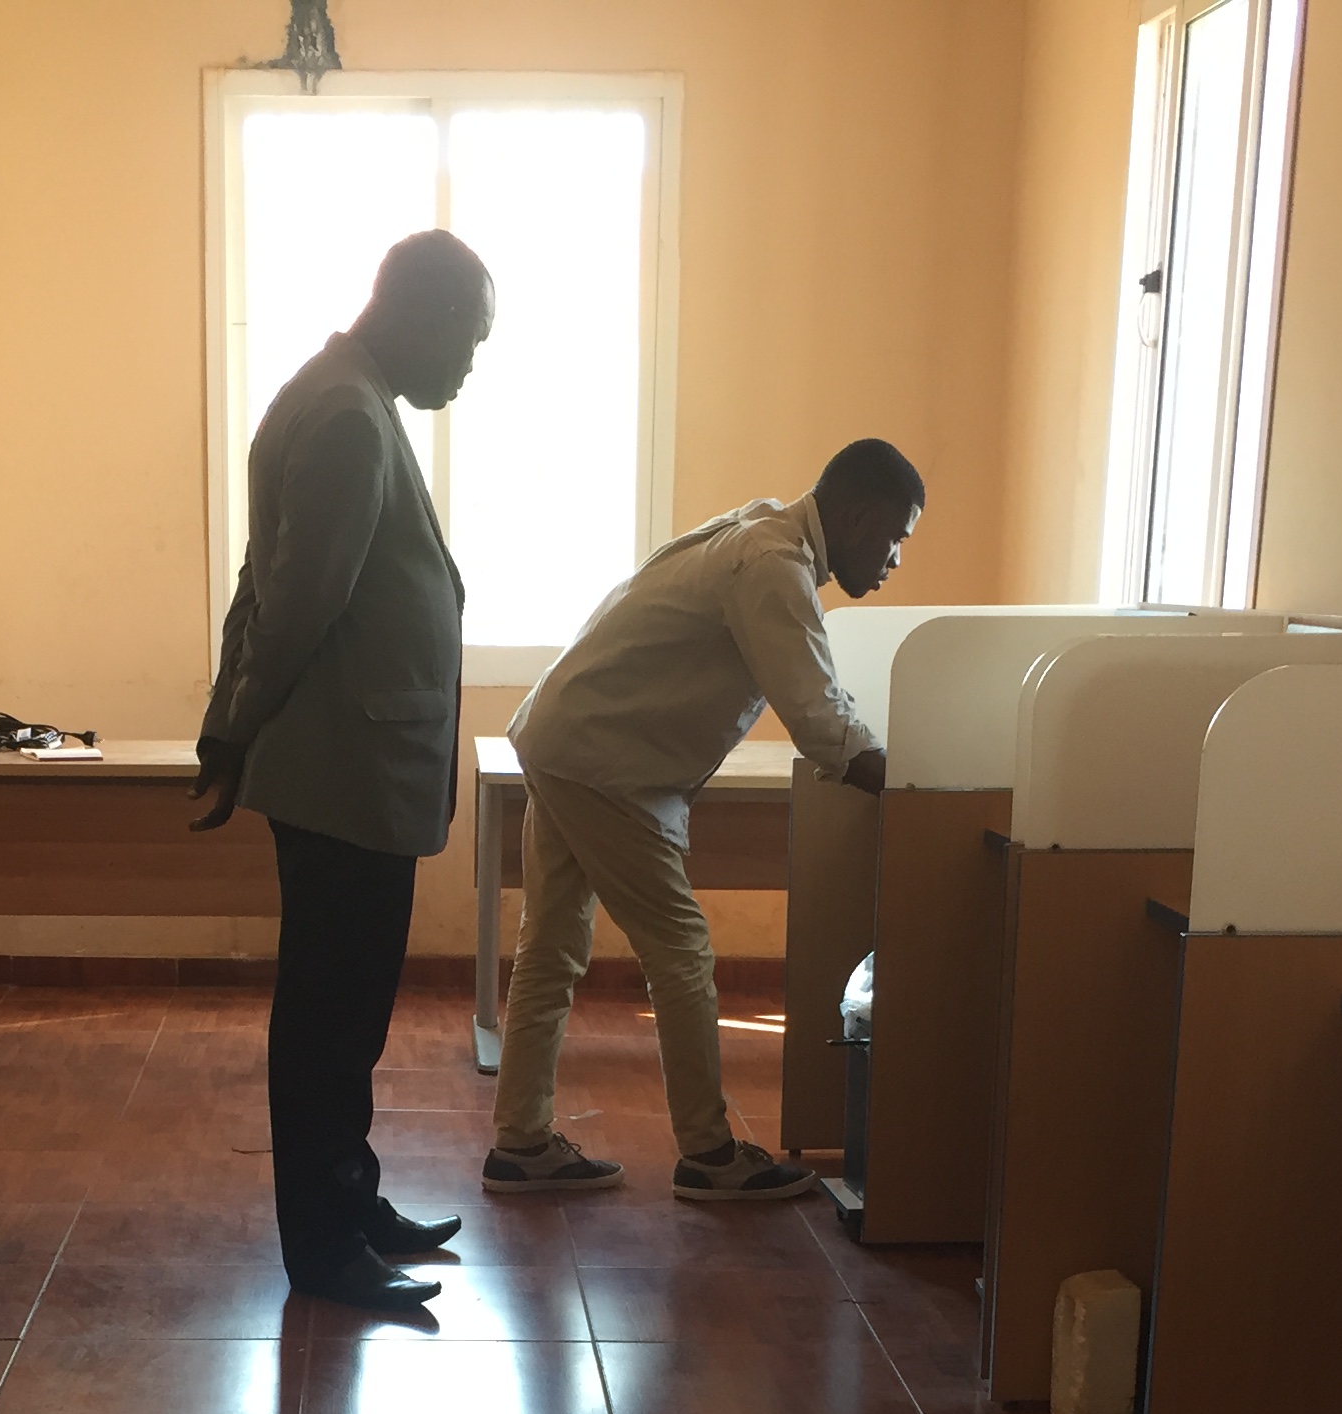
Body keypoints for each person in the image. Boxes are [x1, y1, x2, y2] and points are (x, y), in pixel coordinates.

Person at [482, 439, 926, 1201]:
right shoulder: (773, 566)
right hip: (604, 763)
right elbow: (821, 722)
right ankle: (709, 1154)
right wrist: (926, 791)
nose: (894, 561)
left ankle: (521, 1142)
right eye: (894, 537)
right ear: (857, 517)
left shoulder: (758, 532)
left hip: (567, 742)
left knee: (551, 947)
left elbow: (822, 703)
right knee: (680, 952)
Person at [193, 231, 494, 1311]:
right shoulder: (346, 417)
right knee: (328, 1022)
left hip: (356, 771)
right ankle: (323, 1249)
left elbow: (263, 581)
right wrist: (232, 729)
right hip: (343, 776)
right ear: (421, 312)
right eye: (468, 339)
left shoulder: (344, 396)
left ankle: (349, 1201)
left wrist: (227, 722)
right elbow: (292, 606)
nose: (469, 366)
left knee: (348, 1018)